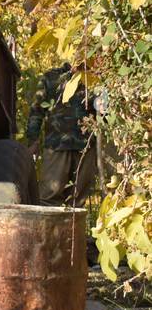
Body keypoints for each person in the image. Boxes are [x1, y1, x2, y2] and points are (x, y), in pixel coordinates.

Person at [26, 62, 100, 206]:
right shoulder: (51, 77)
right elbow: (37, 110)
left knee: (78, 200)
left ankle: (72, 229)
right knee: (49, 197)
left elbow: (104, 110)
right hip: (56, 146)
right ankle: (46, 229)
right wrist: (33, 140)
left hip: (85, 148)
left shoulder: (93, 78)